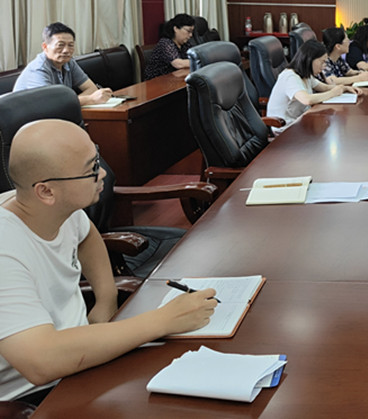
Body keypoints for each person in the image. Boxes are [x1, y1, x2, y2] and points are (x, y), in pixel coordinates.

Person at [0, 119, 217, 403]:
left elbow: (87, 236)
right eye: (91, 169)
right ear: (46, 191)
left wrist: (106, 297)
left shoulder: (54, 209)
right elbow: (41, 363)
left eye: (97, 158)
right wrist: (165, 320)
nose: (102, 172)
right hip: (33, 396)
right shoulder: (6, 249)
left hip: (82, 359)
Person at [267, 40, 359, 132]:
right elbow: (307, 99)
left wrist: (344, 88)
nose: (323, 66)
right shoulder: (290, 76)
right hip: (285, 129)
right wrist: (333, 93)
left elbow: (324, 87)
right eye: (322, 62)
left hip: (301, 122)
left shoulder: (306, 75)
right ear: (310, 59)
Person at [13, 22, 112, 107]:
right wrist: (89, 100)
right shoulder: (38, 69)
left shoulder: (69, 62)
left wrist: (72, 102)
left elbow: (91, 88)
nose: (66, 50)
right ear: (45, 47)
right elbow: (49, 104)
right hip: (28, 120)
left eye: (70, 45)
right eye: (60, 45)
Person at [144, 14, 195, 80]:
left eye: (192, 32)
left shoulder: (185, 44)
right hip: (156, 81)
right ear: (176, 29)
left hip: (174, 79)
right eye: (188, 31)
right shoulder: (165, 43)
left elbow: (194, 56)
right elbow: (178, 64)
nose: (191, 35)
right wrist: (199, 61)